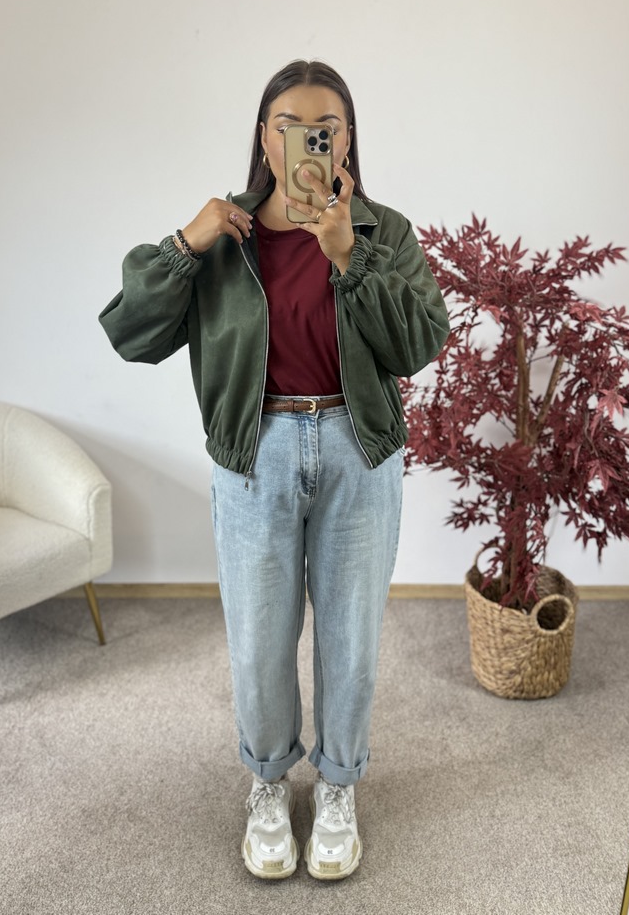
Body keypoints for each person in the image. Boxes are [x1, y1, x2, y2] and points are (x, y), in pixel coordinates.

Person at [98, 60, 449, 881]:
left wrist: (347, 256)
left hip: (358, 449)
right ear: (264, 138)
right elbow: (129, 333)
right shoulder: (223, 236)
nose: (306, 141)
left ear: (346, 141)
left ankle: (337, 787)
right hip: (256, 452)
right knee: (259, 639)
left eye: (324, 127)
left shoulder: (381, 231)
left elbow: (417, 345)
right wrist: (183, 247)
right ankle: (266, 782)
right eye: (289, 125)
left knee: (350, 640)